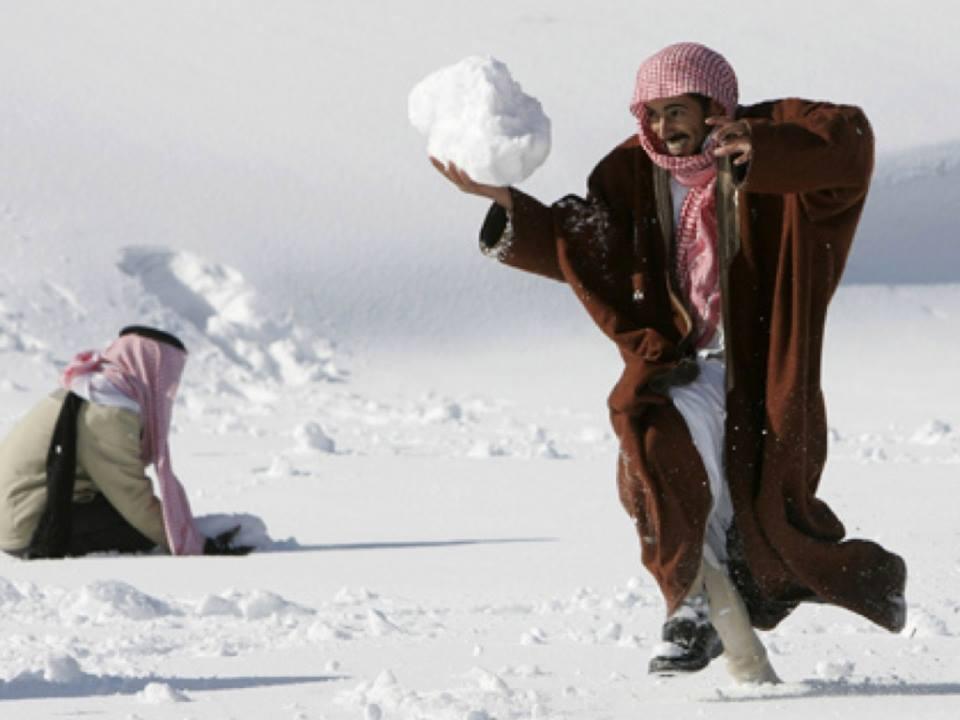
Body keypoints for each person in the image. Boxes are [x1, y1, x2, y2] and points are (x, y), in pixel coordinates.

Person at [431, 42, 906, 683]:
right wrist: (507, 203)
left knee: (760, 528)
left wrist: (763, 149)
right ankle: (692, 614)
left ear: (714, 106)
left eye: (676, 110)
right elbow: (584, 246)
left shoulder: (767, 151)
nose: (663, 128)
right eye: (651, 114)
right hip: (680, 370)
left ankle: (808, 609)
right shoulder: (631, 174)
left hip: (762, 375)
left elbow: (847, 145)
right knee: (658, 457)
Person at [0, 326, 249, 558]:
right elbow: (129, 493)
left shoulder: (94, 389)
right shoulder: (108, 407)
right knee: (138, 529)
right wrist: (193, 545)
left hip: (23, 511)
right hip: (25, 525)